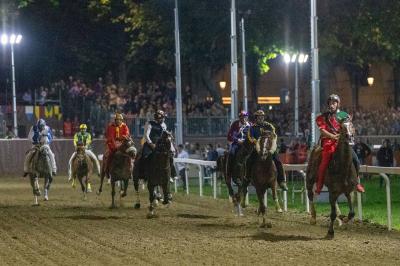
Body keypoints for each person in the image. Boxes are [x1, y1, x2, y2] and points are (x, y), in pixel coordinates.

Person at [315, 94, 364, 195]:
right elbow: (323, 131)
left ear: (338, 104)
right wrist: (333, 137)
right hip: (329, 143)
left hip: (342, 142)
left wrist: (351, 131)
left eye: (334, 103)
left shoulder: (344, 115)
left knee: (356, 160)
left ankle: (357, 182)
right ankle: (319, 185)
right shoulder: (323, 117)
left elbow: (350, 128)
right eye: (330, 103)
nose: (332, 105)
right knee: (324, 163)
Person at [248, 109, 288, 191]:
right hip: (257, 148)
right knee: (249, 160)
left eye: (262, 117)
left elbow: (274, 136)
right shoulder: (252, 128)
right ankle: (247, 178)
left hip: (269, 149)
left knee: (278, 161)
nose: (260, 118)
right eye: (259, 117)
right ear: (256, 118)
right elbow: (250, 138)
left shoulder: (269, 126)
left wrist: (270, 146)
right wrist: (258, 143)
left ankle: (282, 181)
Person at [141, 110, 177, 181]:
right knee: (144, 157)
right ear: (157, 118)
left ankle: (172, 174)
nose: (163, 119)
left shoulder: (164, 125)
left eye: (164, 118)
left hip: (160, 144)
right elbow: (146, 135)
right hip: (149, 144)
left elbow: (164, 134)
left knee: (169, 156)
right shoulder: (149, 123)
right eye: (162, 118)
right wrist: (151, 144)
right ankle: (143, 174)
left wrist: (169, 135)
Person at [67, 124, 101, 191]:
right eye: (82, 129)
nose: (83, 130)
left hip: (86, 150)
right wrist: (76, 146)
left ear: (86, 129)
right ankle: (70, 175)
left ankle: (99, 172)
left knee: (95, 159)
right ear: (80, 129)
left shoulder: (88, 134)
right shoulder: (77, 134)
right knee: (70, 161)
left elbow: (88, 142)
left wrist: (85, 146)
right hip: (79, 150)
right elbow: (75, 141)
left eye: (84, 129)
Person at [103, 113, 130, 178]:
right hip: (112, 143)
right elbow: (110, 137)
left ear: (122, 120)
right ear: (114, 120)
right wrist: (115, 146)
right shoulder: (110, 126)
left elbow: (127, 134)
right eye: (117, 120)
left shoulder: (124, 126)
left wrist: (123, 138)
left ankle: (130, 169)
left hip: (122, 143)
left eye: (119, 120)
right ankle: (107, 170)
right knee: (110, 155)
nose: (118, 121)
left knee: (129, 154)